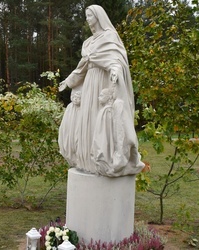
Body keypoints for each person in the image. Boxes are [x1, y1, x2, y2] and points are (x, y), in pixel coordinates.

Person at [58, 5, 143, 177]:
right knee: (87, 119)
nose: (88, 19)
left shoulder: (110, 37)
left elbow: (116, 60)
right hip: (90, 83)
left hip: (103, 81)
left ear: (98, 17)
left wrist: (114, 73)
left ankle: (103, 158)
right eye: (86, 16)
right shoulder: (88, 42)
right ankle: (87, 162)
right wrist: (69, 81)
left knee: (100, 120)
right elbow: (82, 67)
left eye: (90, 16)